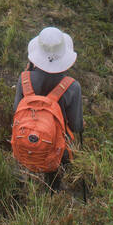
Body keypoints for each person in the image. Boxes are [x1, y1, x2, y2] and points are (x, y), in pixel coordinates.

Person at [12, 26, 83, 190]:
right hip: (56, 152)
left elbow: (16, 110)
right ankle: (53, 192)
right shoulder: (72, 87)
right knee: (57, 174)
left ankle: (25, 184)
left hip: (25, 144)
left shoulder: (24, 79)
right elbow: (76, 126)